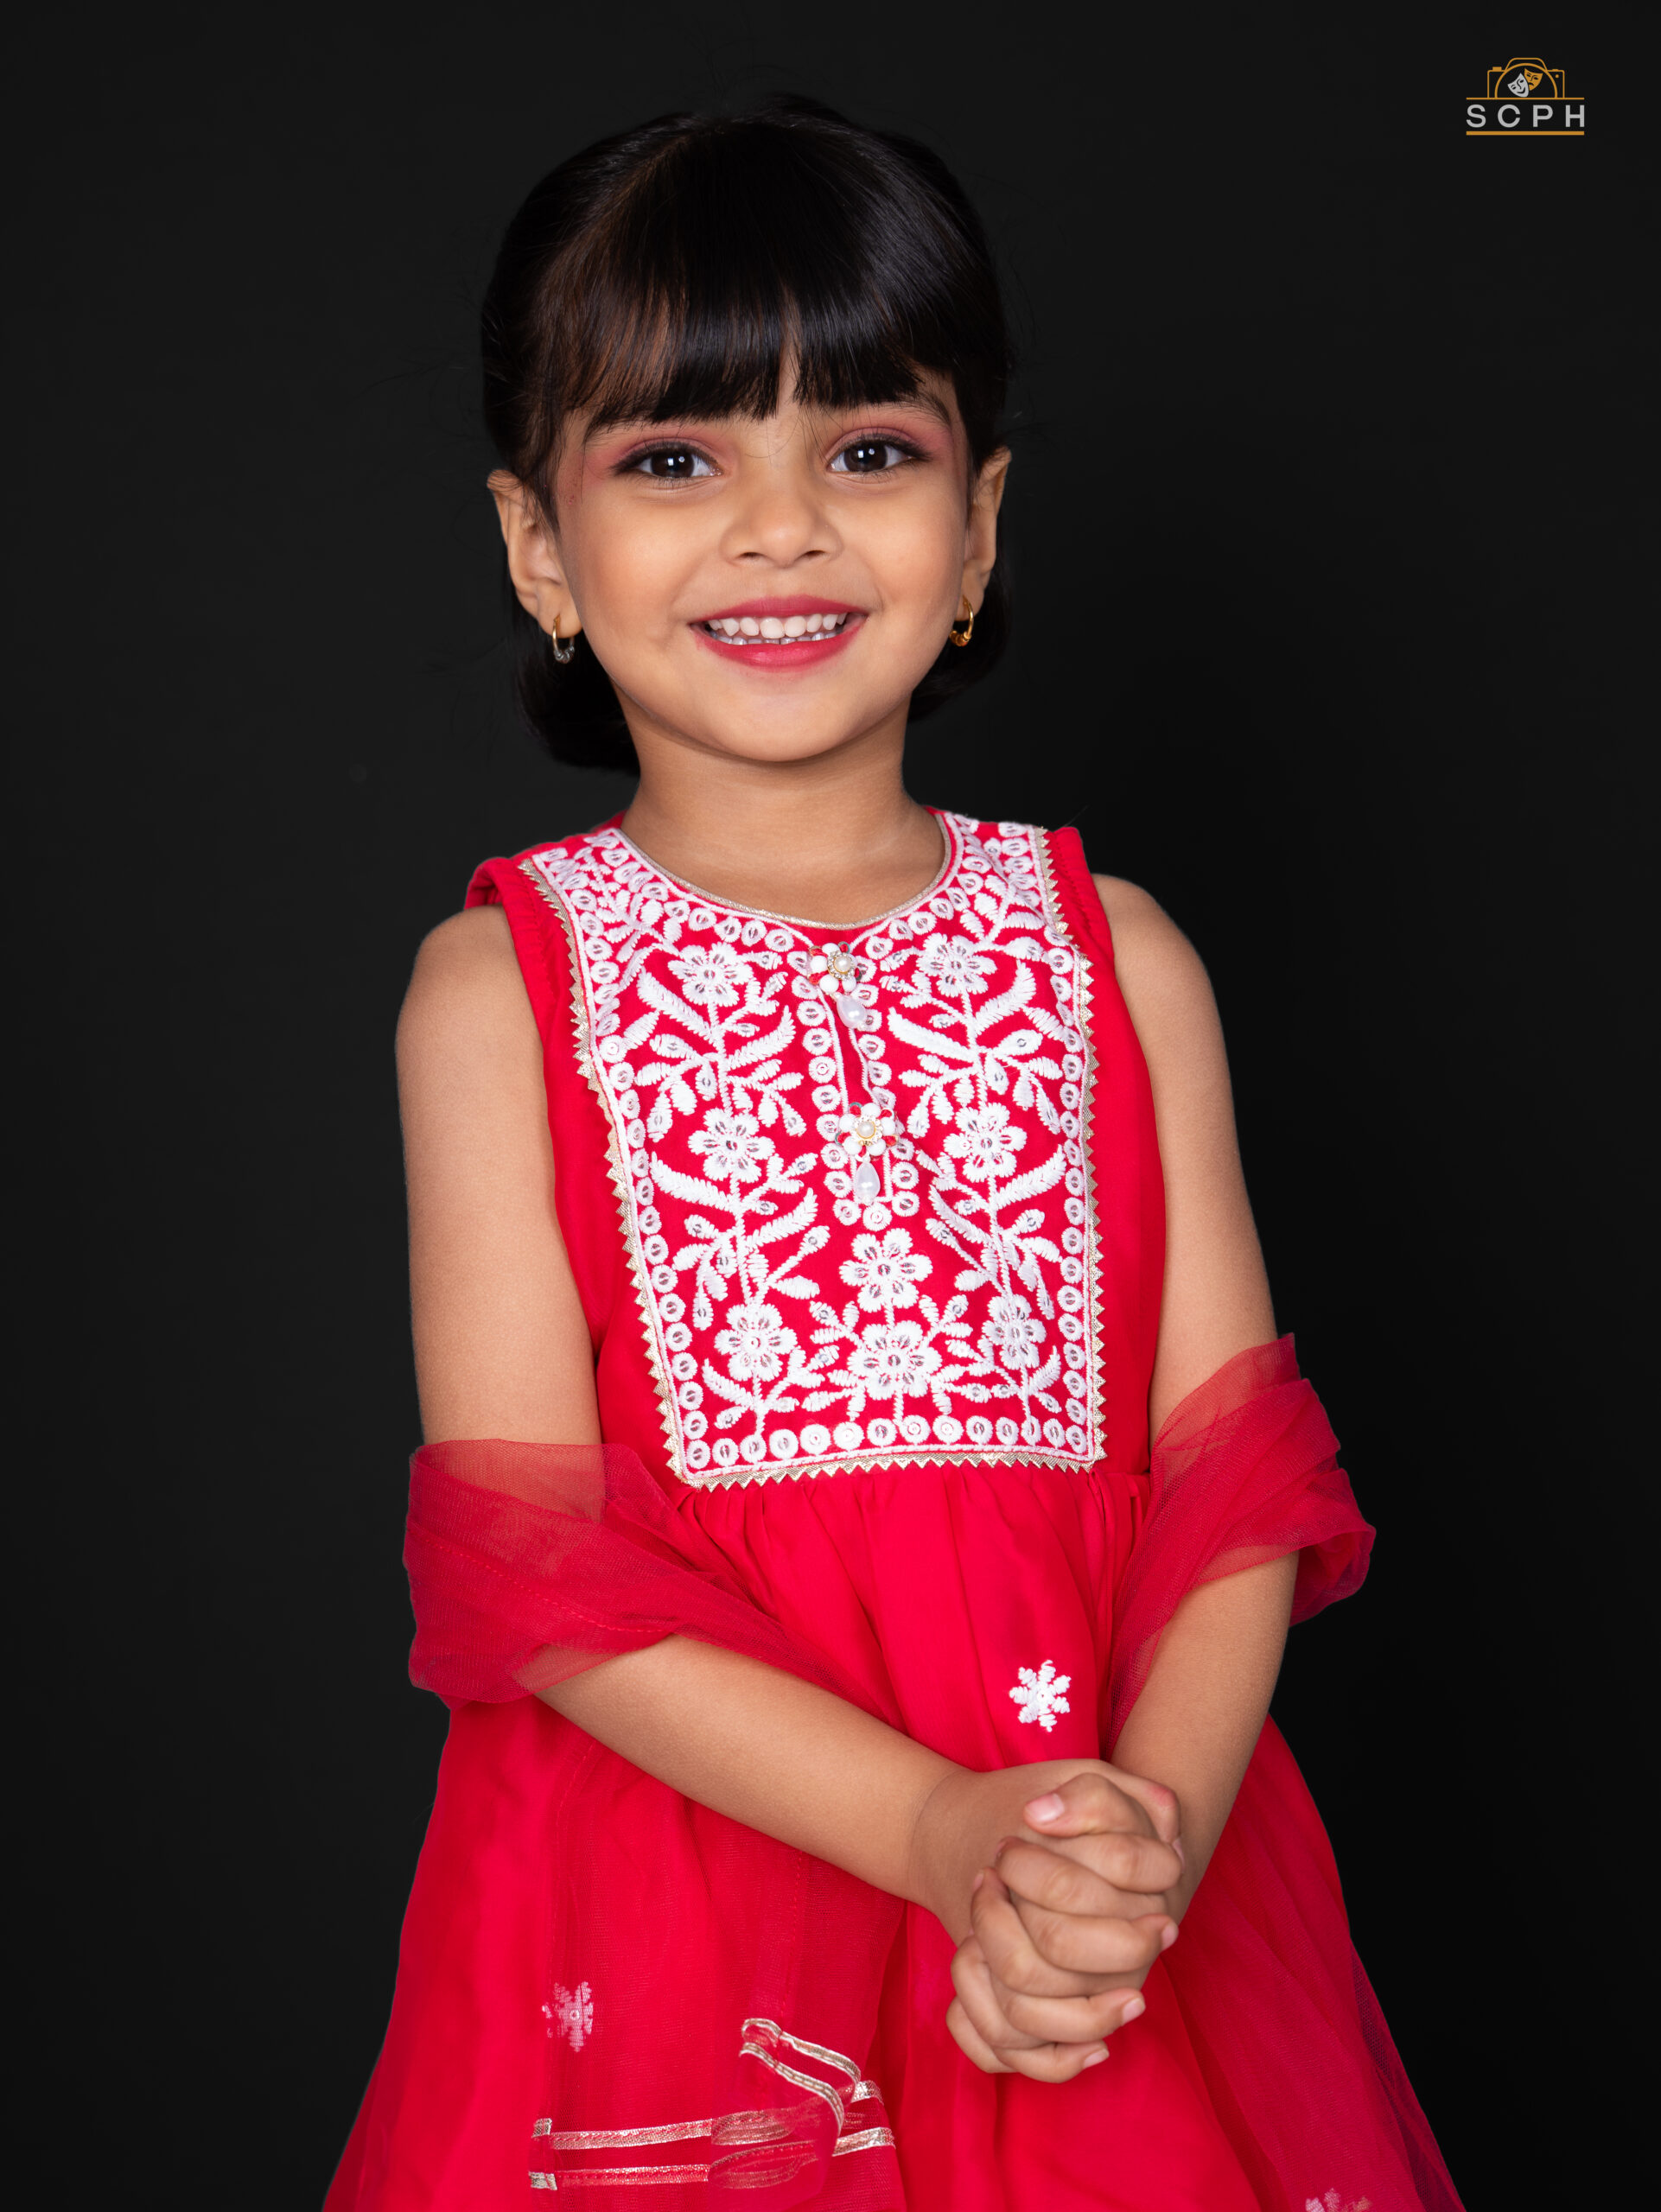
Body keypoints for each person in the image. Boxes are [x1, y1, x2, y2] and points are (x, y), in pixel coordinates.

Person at [326, 96, 1461, 2212]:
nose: (781, 529)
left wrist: (1118, 1865)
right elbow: (528, 1569)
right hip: (684, 1930)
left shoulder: (1117, 958)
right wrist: (941, 1833)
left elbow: (1232, 1483)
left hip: (1102, 1897)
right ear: (538, 547)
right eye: (674, 461)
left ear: (982, 515)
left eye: (865, 450)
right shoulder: (500, 995)